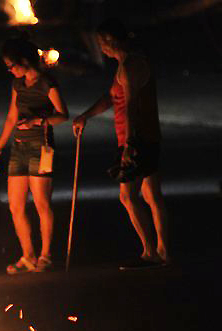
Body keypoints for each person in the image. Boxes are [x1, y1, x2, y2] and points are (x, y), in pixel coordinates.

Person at [72, 19, 169, 269]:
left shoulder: (130, 66)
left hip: (137, 138)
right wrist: (86, 115)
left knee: (128, 196)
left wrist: (129, 144)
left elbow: (132, 106)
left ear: (110, 41)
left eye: (101, 43)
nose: (100, 48)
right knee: (151, 195)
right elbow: (112, 99)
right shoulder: (125, 65)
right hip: (144, 137)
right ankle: (162, 251)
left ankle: (150, 252)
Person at [0, 37, 69, 273]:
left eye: (11, 65)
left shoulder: (47, 83)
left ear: (24, 61)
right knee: (15, 206)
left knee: (42, 203)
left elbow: (62, 114)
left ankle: (45, 256)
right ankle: (27, 255)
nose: (10, 70)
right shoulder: (18, 85)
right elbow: (12, 118)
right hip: (19, 148)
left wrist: (39, 120)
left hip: (42, 147)